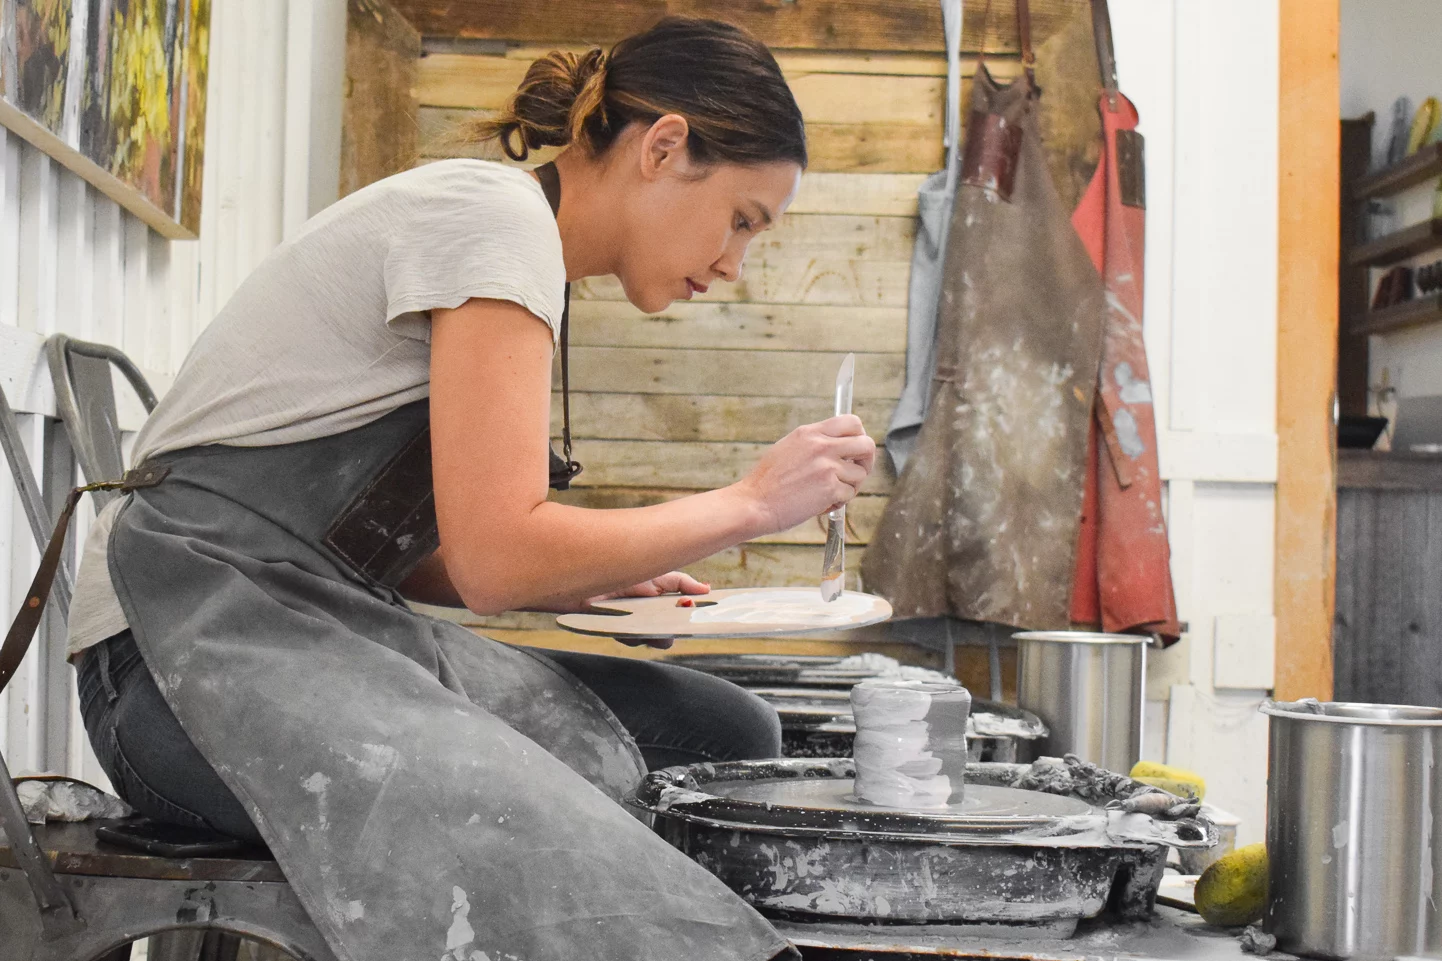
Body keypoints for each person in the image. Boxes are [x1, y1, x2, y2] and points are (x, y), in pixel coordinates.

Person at [64, 16, 875, 961]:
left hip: (308, 625)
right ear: (663, 147)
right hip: (171, 667)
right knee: (565, 839)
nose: (736, 263)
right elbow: (497, 561)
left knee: (719, 729)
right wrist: (755, 501)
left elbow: (414, 553)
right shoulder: (495, 223)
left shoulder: (515, 238)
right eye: (743, 220)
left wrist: (587, 573)